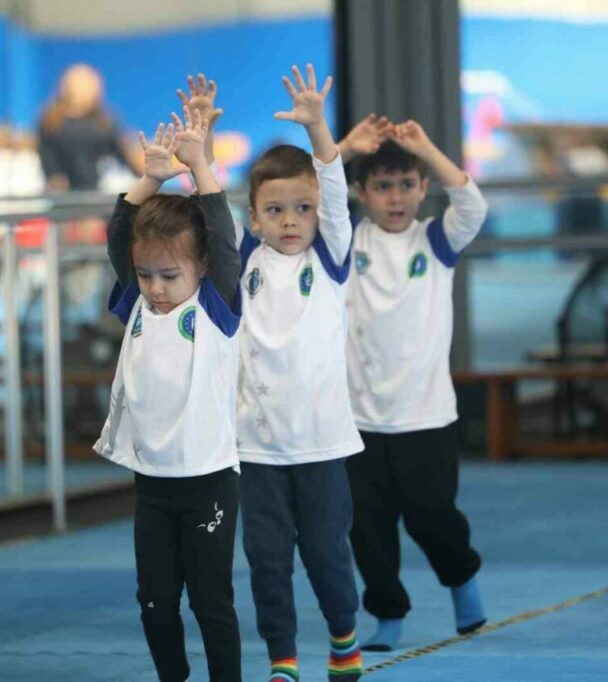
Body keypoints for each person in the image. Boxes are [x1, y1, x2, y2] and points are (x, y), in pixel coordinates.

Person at [93, 106, 243, 682]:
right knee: (155, 604)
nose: (155, 288)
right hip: (152, 485)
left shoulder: (214, 308)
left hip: (208, 481)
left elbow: (224, 239)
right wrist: (150, 179)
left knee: (211, 601)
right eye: (146, 274)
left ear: (201, 268)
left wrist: (201, 167)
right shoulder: (136, 303)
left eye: (169, 276)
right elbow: (118, 236)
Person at [232, 64, 363, 682]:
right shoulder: (243, 261)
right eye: (276, 210)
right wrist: (200, 156)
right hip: (256, 446)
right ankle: (281, 658)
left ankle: (343, 635)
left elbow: (333, 189)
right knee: (266, 559)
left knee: (325, 554)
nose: (291, 220)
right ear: (254, 217)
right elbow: (209, 209)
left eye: (303, 208)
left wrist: (318, 130)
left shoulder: (331, 259)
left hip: (321, 444)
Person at [339, 115, 489, 651]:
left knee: (432, 519)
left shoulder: (436, 241)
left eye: (406, 184)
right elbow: (310, 194)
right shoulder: (343, 243)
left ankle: (462, 580)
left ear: (424, 187)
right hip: (358, 421)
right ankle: (388, 614)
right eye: (382, 186)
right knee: (368, 529)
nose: (396, 197)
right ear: (360, 193)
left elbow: (473, 205)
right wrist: (343, 147)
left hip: (426, 417)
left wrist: (425, 147)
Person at [37, 63, 141, 192]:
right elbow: (47, 156)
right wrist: (54, 178)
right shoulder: (51, 122)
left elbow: (122, 153)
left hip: (99, 192)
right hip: (64, 194)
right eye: (79, 83)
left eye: (90, 84)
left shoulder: (105, 122)